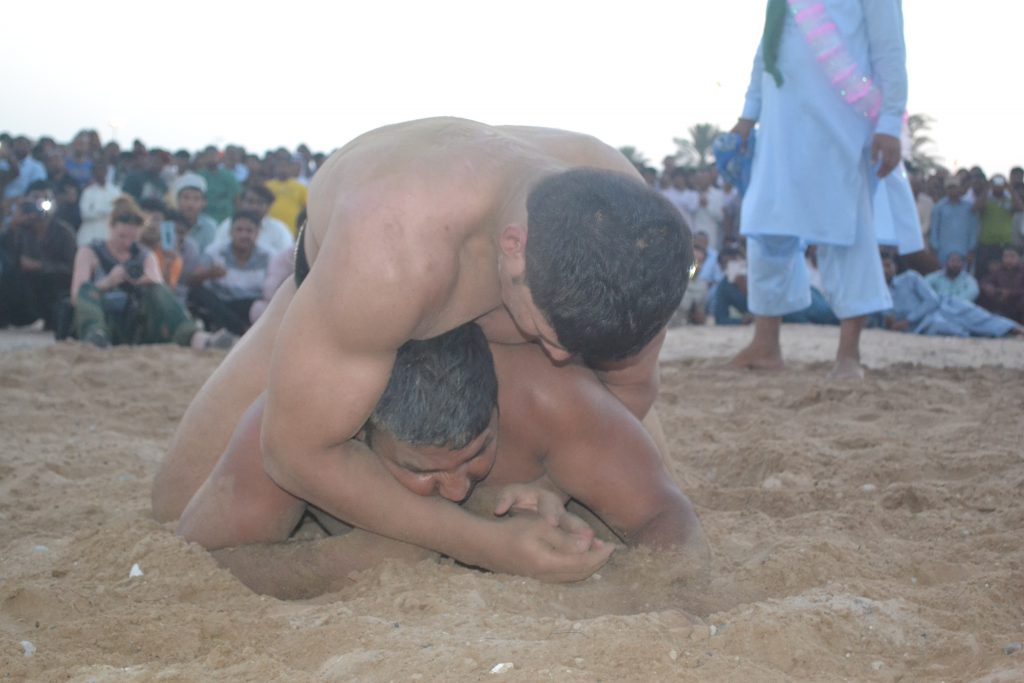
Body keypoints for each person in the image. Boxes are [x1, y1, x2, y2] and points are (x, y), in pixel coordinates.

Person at [153, 117, 691, 583]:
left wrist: (544, 488)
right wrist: (481, 540)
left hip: (473, 293)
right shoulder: (389, 249)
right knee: (177, 509)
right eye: (550, 334)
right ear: (513, 248)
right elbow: (296, 451)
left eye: (583, 349)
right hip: (346, 301)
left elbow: (629, 386)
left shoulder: (631, 232)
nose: (558, 355)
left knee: (632, 508)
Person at [165, 323, 706, 597]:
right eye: (421, 470)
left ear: (498, 411)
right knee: (169, 496)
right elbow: (192, 566)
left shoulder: (549, 396)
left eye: (477, 457)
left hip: (540, 353)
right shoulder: (299, 426)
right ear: (357, 434)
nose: (454, 488)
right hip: (323, 282)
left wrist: (638, 594)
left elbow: (666, 514)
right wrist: (383, 550)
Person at [729, 0, 920, 379]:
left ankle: (848, 355)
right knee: (766, 228)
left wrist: (888, 122)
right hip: (780, 125)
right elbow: (768, 45)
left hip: (842, 126)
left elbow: (889, 48)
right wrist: (748, 114)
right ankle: (765, 345)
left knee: (846, 232)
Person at [69, 197, 234, 349]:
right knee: (87, 290)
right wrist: (109, 282)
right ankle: (97, 339)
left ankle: (198, 339)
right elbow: (77, 295)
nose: (127, 243)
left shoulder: (145, 255)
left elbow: (165, 294)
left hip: (137, 320)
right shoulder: (90, 251)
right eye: (121, 236)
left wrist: (146, 280)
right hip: (102, 317)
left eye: (132, 237)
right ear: (110, 228)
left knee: (157, 289)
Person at [879, 252, 1022, 338]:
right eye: (881, 266)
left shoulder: (910, 278)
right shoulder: (876, 293)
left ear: (895, 267)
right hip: (925, 324)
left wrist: (908, 320)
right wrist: (888, 323)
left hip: (945, 305)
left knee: (980, 318)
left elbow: (932, 300)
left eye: (888, 265)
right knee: (949, 329)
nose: (885, 270)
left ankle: (1017, 330)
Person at [0, 181, 77, 330]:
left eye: (45, 198)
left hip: (53, 291)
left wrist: (40, 266)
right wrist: (13, 225)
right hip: (23, 294)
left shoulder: (64, 232)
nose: (40, 203)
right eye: (35, 198)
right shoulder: (20, 229)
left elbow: (71, 268)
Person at [188, 210, 271, 336]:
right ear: (230, 232)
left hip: (250, 304)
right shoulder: (215, 251)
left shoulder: (268, 256)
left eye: (249, 231)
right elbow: (192, 280)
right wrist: (209, 273)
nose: (244, 235)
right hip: (220, 302)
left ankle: (234, 331)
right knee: (199, 293)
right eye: (239, 230)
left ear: (257, 233)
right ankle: (242, 331)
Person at [210, 183, 295, 255]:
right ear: (241, 203)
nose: (254, 207)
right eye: (250, 202)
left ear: (269, 206)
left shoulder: (279, 229)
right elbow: (215, 252)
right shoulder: (228, 224)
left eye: (260, 202)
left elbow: (285, 259)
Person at [973, 174, 1023, 280]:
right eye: (996, 183)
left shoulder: (1009, 201)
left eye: (1001, 183)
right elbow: (976, 208)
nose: (998, 185)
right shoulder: (986, 200)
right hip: (986, 245)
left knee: (1004, 277)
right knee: (983, 275)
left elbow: (1020, 208)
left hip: (1005, 245)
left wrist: (1010, 189)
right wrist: (987, 188)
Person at [929, 177, 979, 268]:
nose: (952, 190)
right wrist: (934, 249)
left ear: (960, 188)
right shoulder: (939, 207)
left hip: (964, 250)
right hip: (943, 251)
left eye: (955, 187)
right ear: (946, 189)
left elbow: (973, 229)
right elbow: (934, 229)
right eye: (949, 188)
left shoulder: (969, 207)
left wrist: (972, 249)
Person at [77, 161, 122, 247]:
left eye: (102, 170)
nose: (100, 173)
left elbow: (119, 211)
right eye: (97, 170)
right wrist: (106, 211)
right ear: (93, 173)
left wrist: (96, 211)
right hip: (90, 236)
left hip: (109, 235)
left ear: (106, 171)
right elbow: (85, 214)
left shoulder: (115, 191)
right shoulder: (88, 192)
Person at [172, 173, 218, 252]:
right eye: (186, 198)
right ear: (177, 200)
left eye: (196, 199)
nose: (190, 204)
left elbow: (208, 256)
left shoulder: (209, 227)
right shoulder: (167, 223)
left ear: (204, 202)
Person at [979, 246, 1024, 324]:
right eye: (1006, 256)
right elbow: (984, 281)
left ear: (1019, 258)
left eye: (1012, 256)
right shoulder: (999, 270)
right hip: (1001, 302)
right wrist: (988, 287)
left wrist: (1010, 293)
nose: (1008, 260)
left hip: (1018, 303)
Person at [264, 158, 308, 236]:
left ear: (290, 168)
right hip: (269, 227)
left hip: (292, 227)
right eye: (280, 167)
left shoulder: (300, 187)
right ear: (275, 168)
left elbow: (306, 208)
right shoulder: (267, 185)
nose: (282, 169)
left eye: (285, 167)